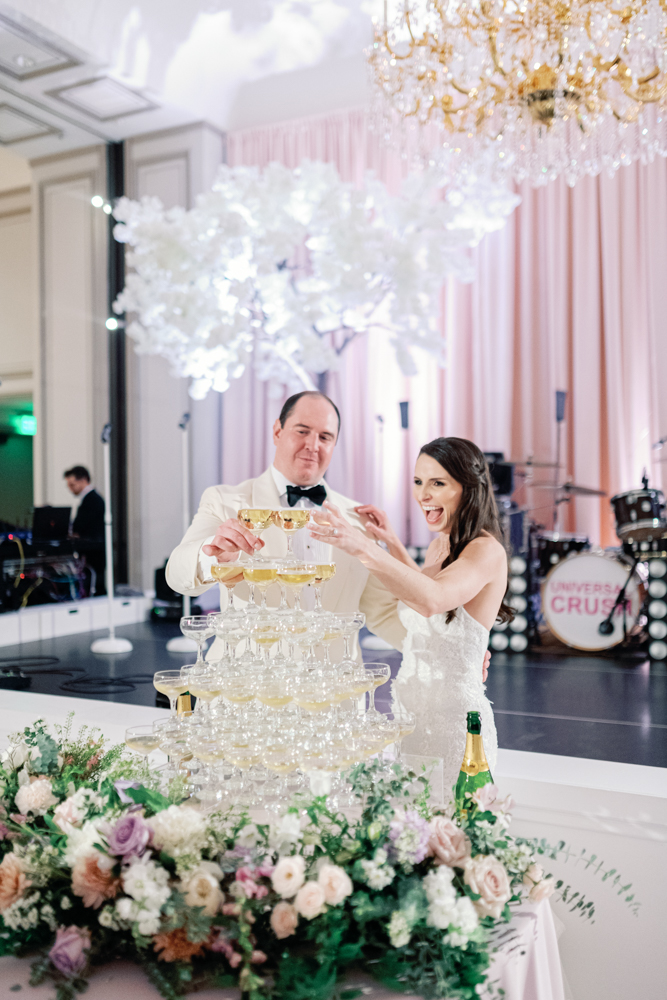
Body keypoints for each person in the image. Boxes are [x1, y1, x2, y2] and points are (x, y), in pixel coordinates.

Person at [309, 436, 510, 794]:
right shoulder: (440, 545)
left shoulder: (486, 550)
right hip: (411, 719)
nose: (423, 495)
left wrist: (363, 547)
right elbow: (421, 593)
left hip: (453, 726)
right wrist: (392, 543)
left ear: (469, 487)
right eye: (418, 482)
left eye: (438, 483)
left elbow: (433, 599)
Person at [166, 391, 407, 659]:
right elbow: (177, 577)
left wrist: (439, 655)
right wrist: (213, 554)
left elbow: (382, 612)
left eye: (325, 437)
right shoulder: (225, 501)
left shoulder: (358, 520)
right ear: (278, 432)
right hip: (247, 689)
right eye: (302, 431)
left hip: (333, 693)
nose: (313, 445)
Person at [64, 466, 106, 595]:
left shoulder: (92, 500)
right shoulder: (91, 499)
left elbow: (82, 526)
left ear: (83, 480)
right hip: (93, 550)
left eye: (72, 484)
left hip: (94, 552)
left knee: (94, 585)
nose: (70, 489)